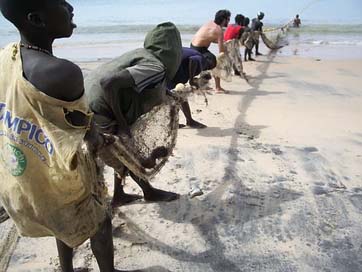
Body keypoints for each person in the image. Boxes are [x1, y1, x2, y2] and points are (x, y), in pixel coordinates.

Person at [0, 1, 128, 271]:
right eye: (60, 2)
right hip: (62, 180)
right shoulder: (62, 72)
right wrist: (99, 135)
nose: (70, 7)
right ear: (36, 19)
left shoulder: (7, 56)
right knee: (100, 222)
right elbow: (84, 129)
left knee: (61, 224)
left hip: (27, 180)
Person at [85, 22, 181, 207]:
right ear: (174, 52)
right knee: (126, 154)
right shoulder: (156, 67)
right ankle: (149, 192)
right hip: (100, 109)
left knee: (121, 149)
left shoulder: (142, 55)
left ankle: (119, 194)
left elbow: (136, 84)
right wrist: (122, 123)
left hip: (84, 101)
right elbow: (108, 83)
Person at [191, 9, 231, 93]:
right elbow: (221, 52)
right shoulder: (219, 30)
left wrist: (221, 42)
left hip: (193, 46)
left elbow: (207, 37)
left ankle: (202, 84)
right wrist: (227, 58)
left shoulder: (210, 23)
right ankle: (217, 88)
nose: (229, 21)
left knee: (209, 62)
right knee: (216, 62)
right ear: (224, 19)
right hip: (199, 49)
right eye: (228, 19)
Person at [168, 47, 208, 129]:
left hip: (171, 67)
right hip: (173, 70)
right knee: (176, 95)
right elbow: (193, 60)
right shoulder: (201, 58)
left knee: (176, 95)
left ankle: (175, 122)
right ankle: (185, 121)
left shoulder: (190, 52)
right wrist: (191, 79)